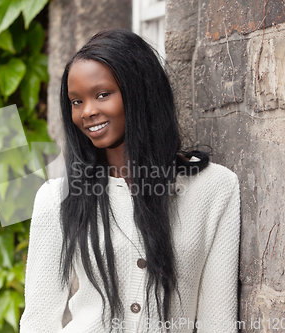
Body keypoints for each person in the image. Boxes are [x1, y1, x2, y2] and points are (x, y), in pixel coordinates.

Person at [19, 28, 241, 333]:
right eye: (76, 102)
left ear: (140, 91)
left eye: (101, 94)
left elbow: (219, 322)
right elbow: (38, 322)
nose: (88, 112)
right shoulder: (57, 197)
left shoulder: (214, 188)